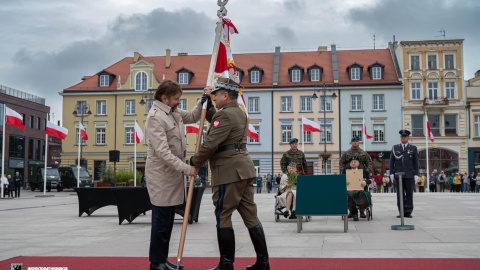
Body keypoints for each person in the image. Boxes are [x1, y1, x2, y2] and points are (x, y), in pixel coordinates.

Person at [190, 78, 270, 270]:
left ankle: (226, 264)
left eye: (216, 94)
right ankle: (263, 262)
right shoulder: (239, 113)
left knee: (223, 214)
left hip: (228, 172)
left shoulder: (224, 116)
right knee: (250, 216)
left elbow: (211, 143)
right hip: (243, 169)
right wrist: (209, 108)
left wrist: (195, 161)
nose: (214, 97)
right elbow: (220, 123)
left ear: (225, 95)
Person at [145, 79, 210, 270]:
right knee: (161, 223)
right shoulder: (156, 117)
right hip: (161, 176)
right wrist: (187, 168)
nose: (178, 102)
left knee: (167, 222)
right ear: (164, 98)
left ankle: (162, 260)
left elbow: (192, 116)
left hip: (172, 176)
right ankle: (157, 263)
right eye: (176, 98)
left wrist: (202, 100)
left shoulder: (172, 112)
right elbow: (163, 153)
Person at [389, 130, 419, 218]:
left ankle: (408, 211)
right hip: (398, 174)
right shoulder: (395, 148)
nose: (403, 138)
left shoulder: (413, 148)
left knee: (409, 193)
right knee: (400, 194)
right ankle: (401, 211)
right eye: (402, 136)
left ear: (408, 138)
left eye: (405, 136)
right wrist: (391, 173)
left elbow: (416, 162)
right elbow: (391, 162)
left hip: (409, 174)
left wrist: (416, 174)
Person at [345, 156, 371, 221]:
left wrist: (365, 182)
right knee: (349, 195)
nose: (353, 163)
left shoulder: (364, 172)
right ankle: (354, 212)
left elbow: (370, 180)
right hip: (350, 190)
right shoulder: (345, 171)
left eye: (355, 162)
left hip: (361, 189)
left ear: (358, 163)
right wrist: (345, 182)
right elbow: (340, 180)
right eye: (351, 162)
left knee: (364, 194)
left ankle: (362, 210)